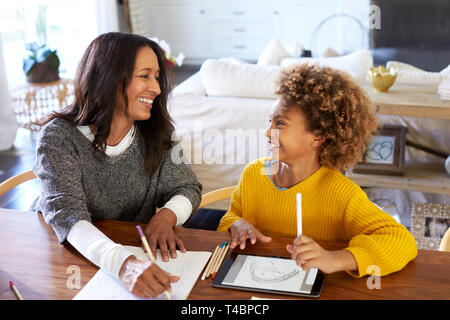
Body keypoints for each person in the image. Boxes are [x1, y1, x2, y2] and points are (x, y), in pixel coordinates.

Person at [31, 32, 202, 298]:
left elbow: (188, 187)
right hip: (67, 252)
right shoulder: (59, 136)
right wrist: (123, 264)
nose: (156, 88)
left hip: (131, 252)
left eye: (156, 77)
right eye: (145, 76)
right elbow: (68, 216)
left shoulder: (158, 131)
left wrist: (166, 215)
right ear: (109, 78)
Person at [217, 64, 417, 277]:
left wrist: (336, 259)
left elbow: (401, 241)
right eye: (270, 122)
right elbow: (232, 215)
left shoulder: (341, 193)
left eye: (281, 124)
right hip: (255, 280)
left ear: (318, 137)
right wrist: (236, 223)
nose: (268, 132)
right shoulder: (253, 175)